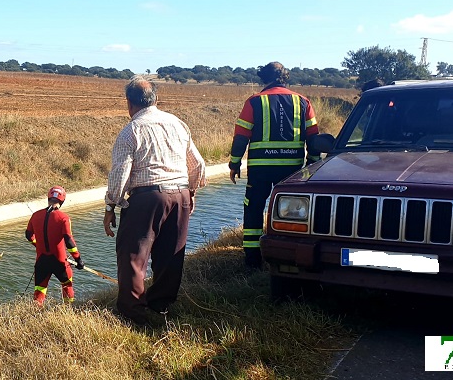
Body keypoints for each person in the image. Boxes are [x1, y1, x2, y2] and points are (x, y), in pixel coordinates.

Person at [103, 75, 207, 326]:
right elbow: (198, 165)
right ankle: (160, 305)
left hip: (147, 197)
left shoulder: (131, 130)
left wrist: (111, 206)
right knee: (170, 253)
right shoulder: (177, 123)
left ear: (129, 103)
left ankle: (133, 312)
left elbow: (120, 173)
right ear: (156, 99)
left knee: (133, 254)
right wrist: (190, 192)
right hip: (180, 194)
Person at [229, 61, 321, 269]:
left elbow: (241, 137)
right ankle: (287, 256)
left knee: (253, 209)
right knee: (293, 212)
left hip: (260, 169)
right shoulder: (302, 102)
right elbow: (314, 138)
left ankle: (252, 261)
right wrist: (313, 164)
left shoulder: (254, 102)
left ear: (264, 78)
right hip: (292, 170)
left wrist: (234, 163)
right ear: (285, 78)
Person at [25, 185, 85, 305]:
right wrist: (78, 259)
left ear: (48, 198)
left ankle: (35, 315)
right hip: (60, 261)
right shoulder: (63, 218)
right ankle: (68, 312)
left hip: (41, 261)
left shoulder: (35, 215)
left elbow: (28, 234)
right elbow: (69, 241)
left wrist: (38, 245)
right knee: (67, 285)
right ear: (62, 201)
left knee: (39, 291)